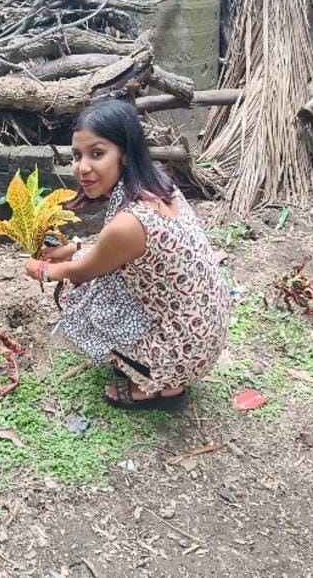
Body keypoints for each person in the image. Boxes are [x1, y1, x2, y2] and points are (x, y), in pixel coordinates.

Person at [24, 99, 229, 409]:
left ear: (125, 153)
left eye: (97, 153)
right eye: (77, 155)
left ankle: (161, 385)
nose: (82, 167)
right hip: (204, 330)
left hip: (186, 350)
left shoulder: (129, 223)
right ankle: (156, 368)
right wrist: (73, 249)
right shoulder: (159, 186)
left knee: (81, 297)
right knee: (104, 287)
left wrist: (42, 269)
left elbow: (83, 272)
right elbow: (116, 254)